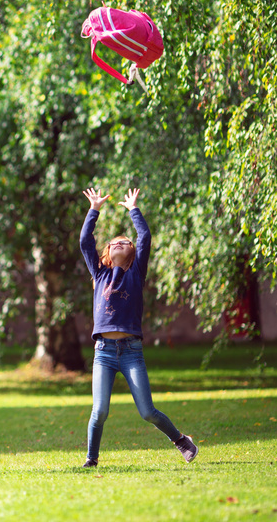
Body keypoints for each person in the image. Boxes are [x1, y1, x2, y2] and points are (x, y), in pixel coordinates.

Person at [79, 188, 198, 468]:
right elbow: (86, 241)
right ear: (107, 253)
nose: (121, 242)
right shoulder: (99, 273)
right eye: (115, 242)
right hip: (104, 352)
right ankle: (91, 459)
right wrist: (93, 209)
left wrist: (134, 209)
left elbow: (144, 237)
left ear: (132, 253)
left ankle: (181, 440)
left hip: (131, 351)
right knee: (99, 411)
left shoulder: (135, 273)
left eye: (126, 242)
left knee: (147, 412)